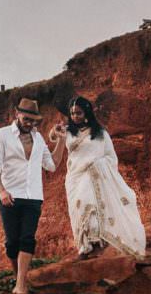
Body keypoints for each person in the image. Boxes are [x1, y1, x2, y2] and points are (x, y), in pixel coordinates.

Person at [48, 96, 145, 259]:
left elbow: (110, 156)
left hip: (94, 174)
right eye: (72, 113)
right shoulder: (68, 130)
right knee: (78, 209)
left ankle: (96, 243)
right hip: (74, 177)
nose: (75, 116)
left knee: (89, 203)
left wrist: (99, 165)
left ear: (86, 112)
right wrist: (54, 131)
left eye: (78, 113)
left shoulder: (100, 133)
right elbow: (52, 136)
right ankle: (85, 245)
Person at [0, 97, 57, 294]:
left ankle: (20, 284)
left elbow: (51, 165)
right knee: (11, 243)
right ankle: (19, 277)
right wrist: (1, 190)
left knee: (28, 238)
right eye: (27, 120)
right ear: (16, 114)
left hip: (33, 196)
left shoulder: (39, 138)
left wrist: (60, 141)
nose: (31, 124)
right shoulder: (1, 135)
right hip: (10, 195)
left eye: (34, 121)